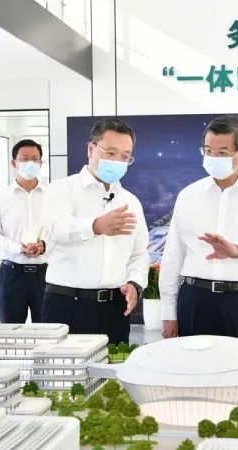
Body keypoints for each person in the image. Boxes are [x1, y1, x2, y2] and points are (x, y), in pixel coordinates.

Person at [159, 115, 238, 343]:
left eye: (223, 153)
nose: (213, 158)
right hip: (196, 299)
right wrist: (168, 312)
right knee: (194, 364)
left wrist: (237, 249)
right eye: (208, 151)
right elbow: (173, 254)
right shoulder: (188, 195)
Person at [42, 118, 148, 344]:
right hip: (67, 304)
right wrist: (95, 226)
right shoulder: (62, 189)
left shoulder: (131, 202)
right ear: (91, 149)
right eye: (111, 153)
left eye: (125, 156)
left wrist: (134, 283)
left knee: (115, 365)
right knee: (63, 366)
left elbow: (139, 254)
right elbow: (57, 228)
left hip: (115, 308)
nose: (117, 161)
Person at [0, 139, 47, 323]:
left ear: (41, 162)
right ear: (14, 163)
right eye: (25, 159)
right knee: (10, 332)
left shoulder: (52, 196)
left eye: (35, 159)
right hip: (11, 274)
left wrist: (44, 245)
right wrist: (17, 247)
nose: (30, 163)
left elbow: (60, 232)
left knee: (48, 330)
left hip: (45, 274)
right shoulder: (0, 198)